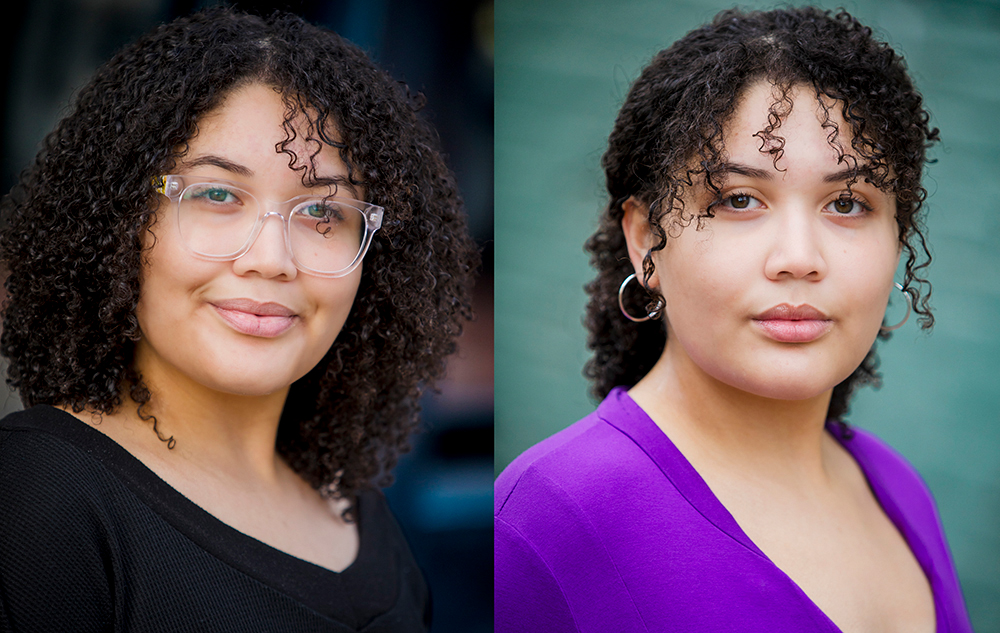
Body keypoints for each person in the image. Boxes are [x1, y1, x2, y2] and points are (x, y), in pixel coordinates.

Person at [494, 7, 973, 632]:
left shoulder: (897, 489)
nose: (799, 258)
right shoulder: (544, 522)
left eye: (848, 203)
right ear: (646, 240)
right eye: (739, 200)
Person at [0, 6, 477, 632]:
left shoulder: (356, 511)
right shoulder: (39, 496)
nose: (272, 260)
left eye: (322, 212)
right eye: (217, 195)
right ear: (118, 221)